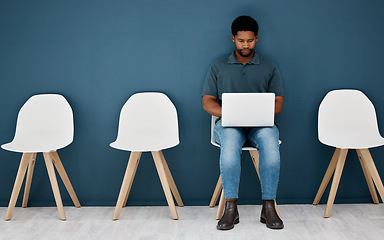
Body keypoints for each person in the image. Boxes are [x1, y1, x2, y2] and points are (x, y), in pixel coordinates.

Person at [201, 15, 284, 230]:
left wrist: (261, 114)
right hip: (228, 124)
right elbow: (207, 102)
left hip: (261, 125)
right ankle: (231, 209)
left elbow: (278, 103)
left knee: (271, 148)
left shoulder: (269, 67)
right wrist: (229, 113)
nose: (245, 45)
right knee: (229, 150)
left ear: (256, 38)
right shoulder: (218, 67)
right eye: (241, 40)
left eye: (250, 40)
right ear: (233, 38)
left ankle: (268, 208)